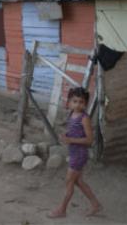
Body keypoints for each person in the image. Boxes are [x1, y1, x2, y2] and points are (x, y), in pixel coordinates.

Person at [48, 87, 102, 218]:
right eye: (75, 101)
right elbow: (74, 131)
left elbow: (89, 140)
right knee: (78, 182)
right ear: (69, 102)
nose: (78, 104)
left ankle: (62, 210)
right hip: (74, 152)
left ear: (86, 103)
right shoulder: (71, 115)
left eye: (81, 102)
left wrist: (70, 139)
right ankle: (96, 204)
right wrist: (66, 135)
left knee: (69, 181)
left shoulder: (84, 118)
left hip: (79, 154)